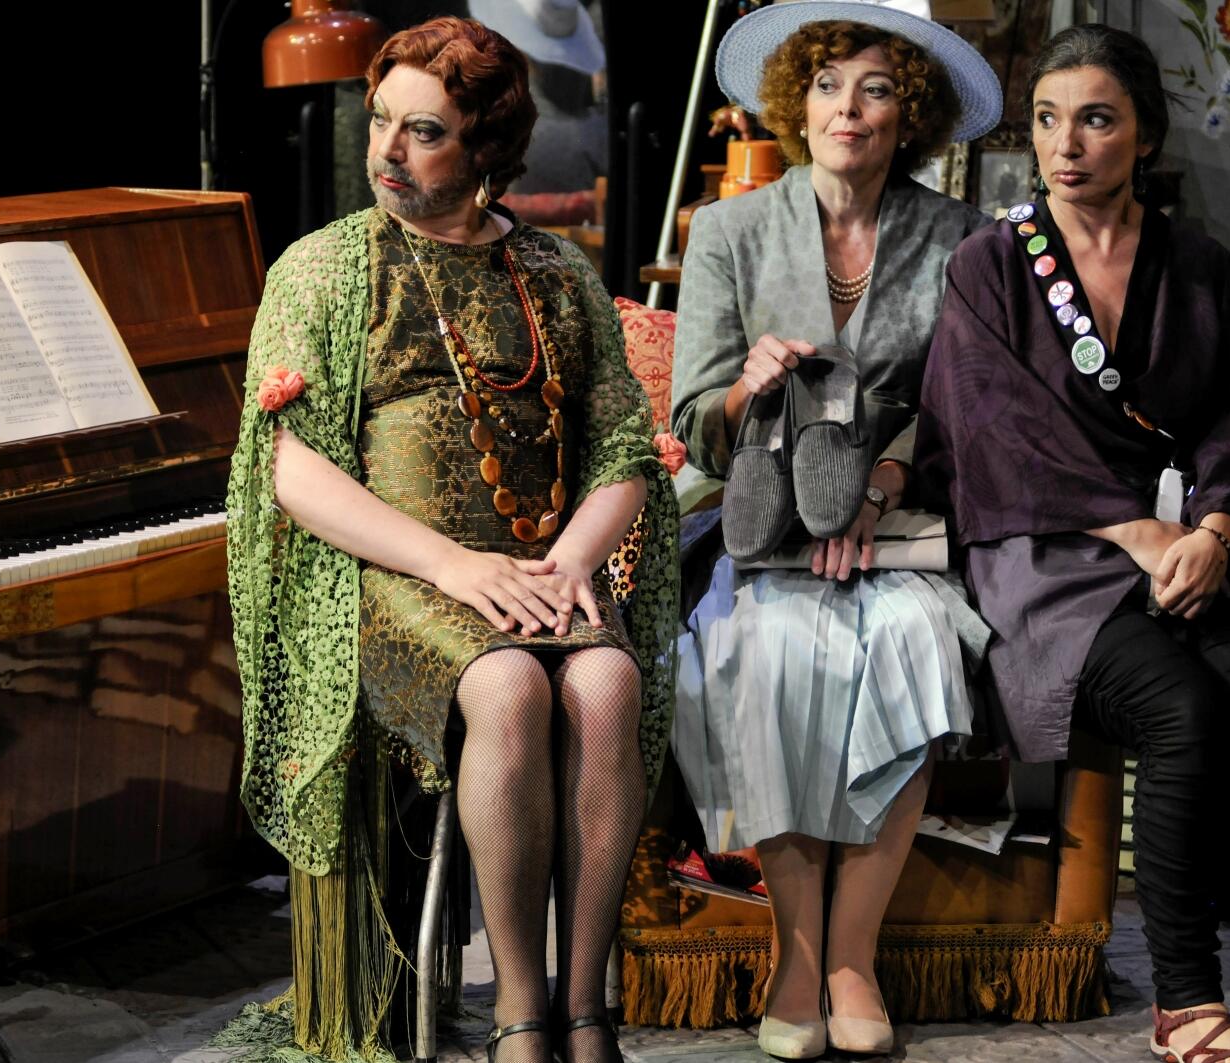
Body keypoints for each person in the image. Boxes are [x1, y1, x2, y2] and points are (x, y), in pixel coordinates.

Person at [225, 16, 679, 1063]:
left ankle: (584, 1005)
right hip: (399, 575)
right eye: (381, 120)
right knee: (510, 688)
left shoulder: (554, 271)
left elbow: (622, 446)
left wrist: (572, 561)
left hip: (538, 570)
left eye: (422, 131)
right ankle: (520, 1009)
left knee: (608, 683)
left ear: (486, 148)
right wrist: (451, 564)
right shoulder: (328, 268)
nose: (386, 149)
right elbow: (289, 466)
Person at [916, 23, 1230, 1063]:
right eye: (1047, 120)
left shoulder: (1195, 263)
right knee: (1181, 707)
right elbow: (988, 436)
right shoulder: (989, 264)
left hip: (1184, 544)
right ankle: (1186, 999)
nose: (1065, 145)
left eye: (1096, 120)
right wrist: (1141, 532)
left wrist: (1216, 527)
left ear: (1144, 135)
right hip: (1044, 553)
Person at [668, 2, 1001, 1058]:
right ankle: (797, 958)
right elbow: (694, 421)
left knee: (910, 639)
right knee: (763, 651)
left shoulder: (961, 239)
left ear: (910, 115)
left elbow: (968, 405)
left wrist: (883, 480)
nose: (846, 108)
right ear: (795, 103)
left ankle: (851, 957)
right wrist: (744, 390)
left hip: (896, 520)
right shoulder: (727, 231)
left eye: (875, 89)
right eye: (825, 86)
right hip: (761, 519)